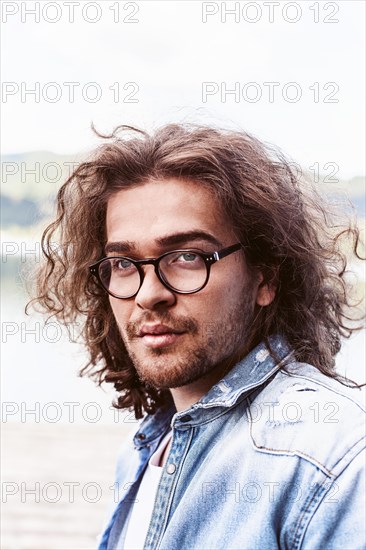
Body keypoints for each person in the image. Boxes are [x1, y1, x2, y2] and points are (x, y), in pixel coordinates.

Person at [31, 123, 365, 549]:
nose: (149, 294)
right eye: (122, 263)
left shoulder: (332, 460)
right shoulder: (146, 450)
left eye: (188, 256)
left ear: (265, 279)